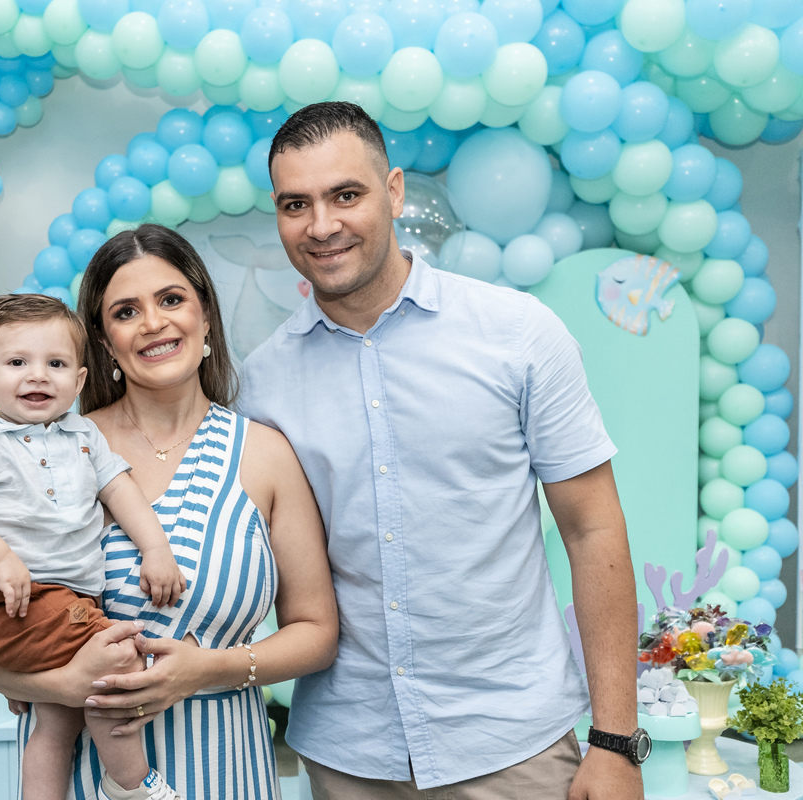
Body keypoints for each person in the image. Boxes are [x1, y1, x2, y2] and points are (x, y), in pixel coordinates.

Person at [238, 101, 642, 800]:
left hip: (512, 746)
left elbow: (593, 528)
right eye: (295, 204)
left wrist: (615, 741)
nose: (322, 225)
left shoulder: (517, 333)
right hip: (347, 754)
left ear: (394, 191)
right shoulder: (262, 382)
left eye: (346, 195)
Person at [0, 224, 339, 800]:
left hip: (224, 766)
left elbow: (316, 633)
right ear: (104, 343)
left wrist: (208, 670)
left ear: (206, 316)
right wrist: (63, 686)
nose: (153, 323)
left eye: (171, 299)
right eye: (126, 311)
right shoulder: (50, 447)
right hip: (79, 773)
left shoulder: (267, 455)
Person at [0, 293, 188, 800]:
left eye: (56, 364)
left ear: (80, 379)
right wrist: (0, 559)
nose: (37, 376)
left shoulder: (84, 435)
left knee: (57, 722)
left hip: (69, 601)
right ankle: (132, 784)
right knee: (120, 659)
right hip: (21, 601)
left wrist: (156, 550)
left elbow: (121, 491)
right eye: (16, 363)